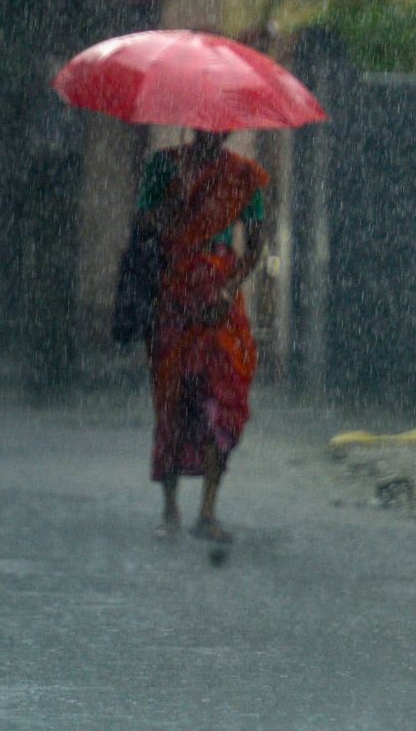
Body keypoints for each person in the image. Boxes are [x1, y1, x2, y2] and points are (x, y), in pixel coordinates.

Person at [134, 130, 269, 544]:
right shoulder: (164, 166)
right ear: (192, 122)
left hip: (220, 305)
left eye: (220, 123)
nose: (212, 130)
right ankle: (170, 508)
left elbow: (256, 239)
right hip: (174, 298)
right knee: (172, 402)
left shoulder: (244, 176)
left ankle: (208, 510)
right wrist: (176, 215)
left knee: (223, 403)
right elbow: (144, 221)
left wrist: (229, 289)